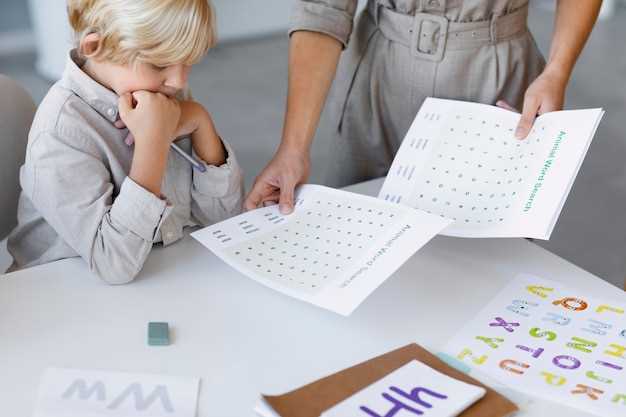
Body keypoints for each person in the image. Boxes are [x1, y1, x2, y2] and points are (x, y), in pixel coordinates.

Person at [245, 0, 601, 214]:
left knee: (484, 268)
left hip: (495, 77)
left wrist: (556, 72)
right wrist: (293, 148)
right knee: (359, 244)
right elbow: (323, 10)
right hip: (378, 84)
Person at [6, 0, 244, 283]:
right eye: (160, 63)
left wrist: (200, 121)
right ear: (94, 47)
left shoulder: (163, 93)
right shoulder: (61, 132)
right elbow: (114, 264)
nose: (179, 81)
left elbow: (224, 220)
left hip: (159, 276)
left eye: (188, 61)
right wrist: (152, 145)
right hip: (66, 295)